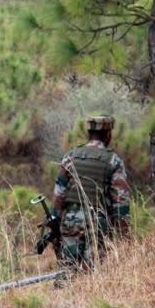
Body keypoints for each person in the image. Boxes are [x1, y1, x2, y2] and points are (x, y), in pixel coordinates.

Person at [51, 115, 131, 279]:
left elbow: (59, 194)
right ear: (108, 134)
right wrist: (124, 235)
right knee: (92, 275)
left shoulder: (70, 156)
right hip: (96, 223)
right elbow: (120, 203)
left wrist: (54, 223)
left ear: (88, 133)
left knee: (67, 271)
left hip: (70, 221)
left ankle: (62, 299)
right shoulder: (113, 160)